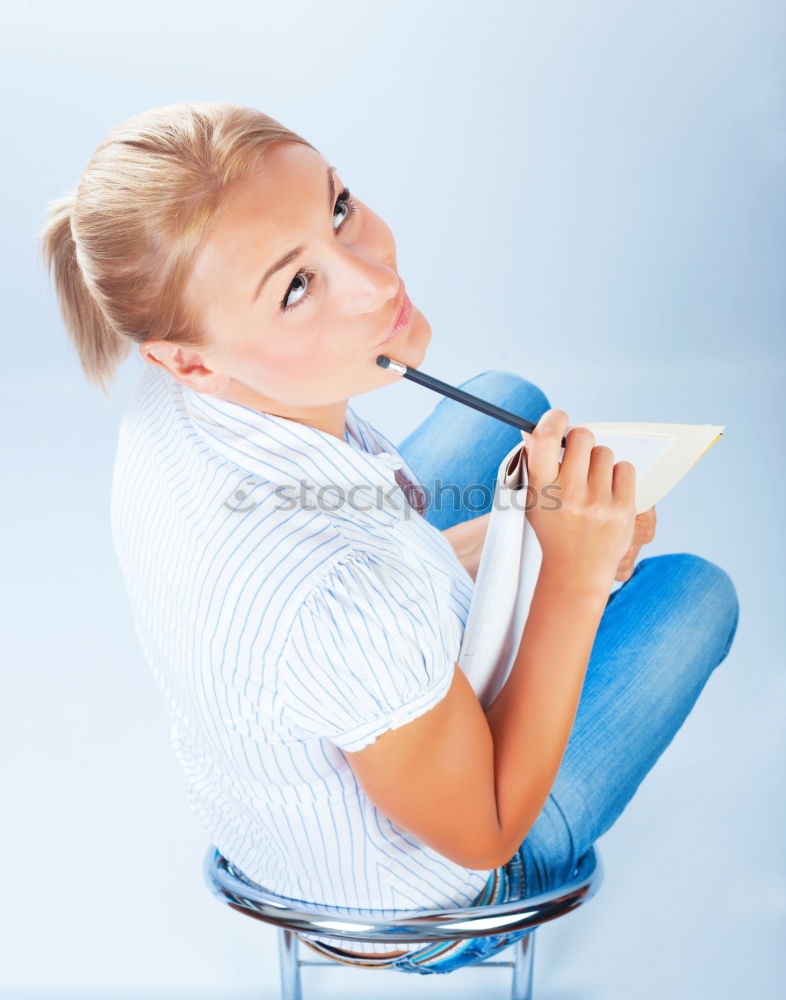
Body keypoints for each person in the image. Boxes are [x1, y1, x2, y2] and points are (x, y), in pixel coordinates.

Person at [39, 102, 739, 976]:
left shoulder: (174, 401)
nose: (374, 281)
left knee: (506, 393)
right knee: (699, 594)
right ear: (188, 358)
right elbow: (483, 831)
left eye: (337, 207)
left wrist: (518, 542)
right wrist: (571, 581)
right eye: (296, 286)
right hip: (424, 899)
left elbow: (344, 578)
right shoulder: (342, 599)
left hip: (296, 750)